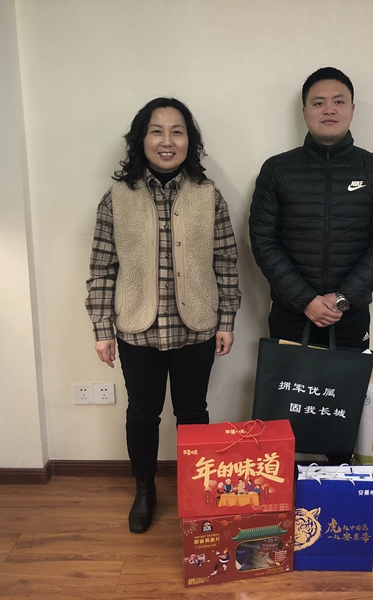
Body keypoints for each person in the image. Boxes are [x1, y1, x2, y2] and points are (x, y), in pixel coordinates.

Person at [85, 98, 241, 533]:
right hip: (137, 328)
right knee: (142, 414)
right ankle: (144, 490)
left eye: (177, 131)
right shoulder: (117, 198)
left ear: (190, 141)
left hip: (198, 328)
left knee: (192, 412)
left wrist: (227, 320)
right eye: (157, 131)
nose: (167, 141)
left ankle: (195, 490)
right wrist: (101, 329)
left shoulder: (208, 196)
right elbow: (102, 267)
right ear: (142, 139)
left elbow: (227, 261)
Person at [249, 67, 373, 463]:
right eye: (318, 102)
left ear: (352, 109)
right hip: (290, 314)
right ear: (305, 111)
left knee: (340, 408)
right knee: (284, 408)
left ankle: (335, 485)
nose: (329, 109)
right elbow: (263, 241)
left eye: (338, 101)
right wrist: (304, 299)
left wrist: (343, 299)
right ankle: (283, 484)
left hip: (349, 315)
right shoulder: (277, 169)